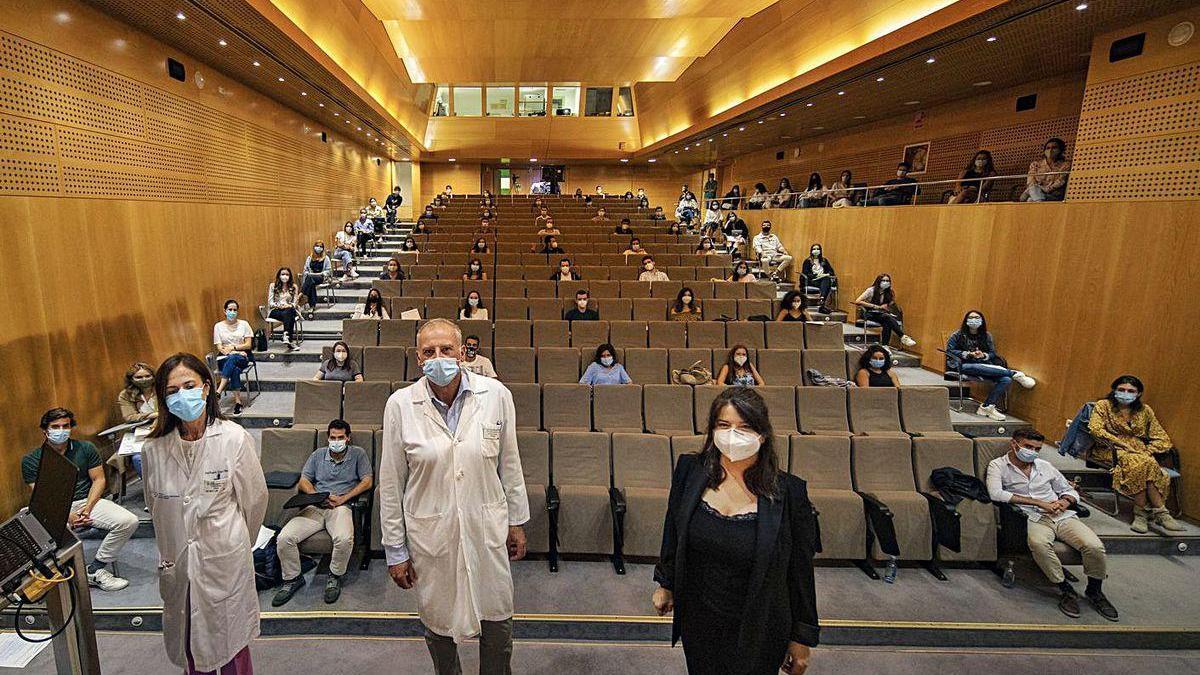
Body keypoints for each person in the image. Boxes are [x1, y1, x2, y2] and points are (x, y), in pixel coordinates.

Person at [379, 319, 528, 673]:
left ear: (461, 353)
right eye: (429, 352)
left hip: (486, 525)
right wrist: (395, 550)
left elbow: (510, 462)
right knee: (439, 622)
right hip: (431, 532)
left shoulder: (496, 395)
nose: (438, 358)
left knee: (497, 621)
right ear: (418, 358)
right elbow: (390, 482)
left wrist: (517, 521)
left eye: (446, 350)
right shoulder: (400, 405)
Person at [653, 387, 819, 675]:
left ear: (762, 434)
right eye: (724, 425)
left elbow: (800, 570)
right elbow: (674, 529)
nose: (732, 435)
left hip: (760, 623)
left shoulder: (789, 492)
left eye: (744, 427)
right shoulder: (690, 471)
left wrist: (801, 637)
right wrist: (666, 583)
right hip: (700, 618)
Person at [142, 352, 268, 675]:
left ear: (206, 388)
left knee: (230, 649)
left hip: (224, 562)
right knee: (191, 648)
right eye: (172, 391)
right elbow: (156, 511)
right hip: (179, 565)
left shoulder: (234, 439)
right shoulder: (153, 450)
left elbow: (254, 503)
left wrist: (235, 545)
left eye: (189, 385)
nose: (181, 395)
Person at [986, 429, 1118, 622]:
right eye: (1028, 447)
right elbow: (996, 493)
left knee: (1094, 546)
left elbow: (1069, 491)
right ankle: (1065, 589)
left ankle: (1095, 590)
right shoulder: (998, 466)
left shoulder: (1045, 466)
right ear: (1014, 444)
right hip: (1032, 517)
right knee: (1039, 545)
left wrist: (1064, 502)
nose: (1032, 451)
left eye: (1037, 448)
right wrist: (1038, 503)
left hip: (1062, 515)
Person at [22, 407, 137, 591]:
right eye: (55, 426)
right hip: (55, 508)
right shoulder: (31, 460)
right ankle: (56, 575)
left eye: (65, 426)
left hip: (87, 501)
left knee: (128, 521)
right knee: (34, 527)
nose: (61, 430)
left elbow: (98, 479)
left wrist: (87, 509)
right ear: (45, 430)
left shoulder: (85, 448)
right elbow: (42, 496)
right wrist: (68, 515)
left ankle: (95, 570)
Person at [273, 419, 373, 607]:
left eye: (340, 437)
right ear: (328, 438)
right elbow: (304, 481)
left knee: (343, 539)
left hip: (340, 506)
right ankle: (293, 578)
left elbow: (367, 481)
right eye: (333, 437)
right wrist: (316, 496)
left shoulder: (358, 454)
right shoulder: (318, 455)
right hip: (316, 505)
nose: (336, 441)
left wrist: (343, 499)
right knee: (284, 537)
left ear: (348, 438)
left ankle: (334, 575)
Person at [1088, 375, 1185, 534]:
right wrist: (1122, 444)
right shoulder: (1103, 406)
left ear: (1138, 394)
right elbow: (1096, 429)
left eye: (1130, 391)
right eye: (1121, 390)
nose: (1125, 393)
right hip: (1110, 449)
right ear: (1114, 390)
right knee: (1143, 463)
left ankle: (1142, 514)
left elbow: (1162, 437)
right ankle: (1159, 512)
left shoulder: (1145, 411)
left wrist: (1148, 450)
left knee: (1144, 462)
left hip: (1139, 451)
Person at [945, 310, 1036, 422]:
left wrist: (983, 355)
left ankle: (986, 407)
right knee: (974, 367)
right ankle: (1014, 374)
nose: (974, 320)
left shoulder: (987, 336)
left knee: (1006, 380)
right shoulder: (957, 335)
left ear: (982, 320)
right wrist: (968, 354)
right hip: (963, 365)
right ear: (966, 320)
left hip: (983, 365)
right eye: (971, 317)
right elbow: (950, 351)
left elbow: (992, 353)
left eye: (977, 317)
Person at [213, 299, 254, 415]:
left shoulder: (244, 324)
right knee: (234, 369)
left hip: (242, 358)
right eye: (230, 310)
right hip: (225, 358)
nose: (232, 312)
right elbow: (220, 348)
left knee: (233, 360)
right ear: (225, 311)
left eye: (234, 310)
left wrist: (233, 348)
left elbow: (248, 345)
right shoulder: (218, 326)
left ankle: (219, 390)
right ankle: (238, 402)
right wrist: (234, 352)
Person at [853, 274, 917, 348]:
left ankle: (885, 346)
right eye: (883, 280)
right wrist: (875, 306)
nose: (886, 282)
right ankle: (902, 337)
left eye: (887, 281)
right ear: (878, 281)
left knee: (887, 322)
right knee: (887, 318)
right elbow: (857, 301)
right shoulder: (871, 290)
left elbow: (890, 304)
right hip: (869, 313)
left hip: (882, 314)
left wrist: (887, 306)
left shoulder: (889, 292)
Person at [117, 362, 158, 476]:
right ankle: (150, 489)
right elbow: (129, 417)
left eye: (147, 376)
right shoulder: (126, 395)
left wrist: (159, 417)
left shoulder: (162, 388)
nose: (144, 379)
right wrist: (154, 415)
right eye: (139, 377)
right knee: (138, 458)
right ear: (131, 379)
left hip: (164, 428)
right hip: (141, 432)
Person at [1021, 138, 1071, 202]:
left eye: (1054, 148)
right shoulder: (1036, 165)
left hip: (1053, 194)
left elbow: (1061, 181)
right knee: (1032, 192)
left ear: (1060, 150)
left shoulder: (1065, 165)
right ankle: (1040, 201)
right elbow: (1030, 181)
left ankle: (1039, 201)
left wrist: (1044, 189)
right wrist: (1038, 189)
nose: (1050, 150)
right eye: (1048, 148)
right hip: (1036, 191)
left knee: (1030, 199)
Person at [268, 267, 301, 350]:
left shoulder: (294, 287)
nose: (285, 276)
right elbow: (270, 302)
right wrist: (279, 305)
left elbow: (295, 302)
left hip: (288, 309)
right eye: (283, 274)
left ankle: (286, 335)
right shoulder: (273, 286)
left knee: (289, 311)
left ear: (290, 276)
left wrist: (289, 305)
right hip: (276, 311)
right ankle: (289, 339)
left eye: (287, 274)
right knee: (290, 315)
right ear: (279, 276)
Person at [800, 244, 835, 314]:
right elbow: (805, 273)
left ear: (820, 250)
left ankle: (821, 299)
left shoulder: (824, 260)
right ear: (811, 250)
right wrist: (817, 275)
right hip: (812, 281)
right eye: (814, 249)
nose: (816, 250)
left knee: (826, 279)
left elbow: (831, 271)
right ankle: (822, 303)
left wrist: (825, 274)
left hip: (822, 280)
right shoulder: (807, 261)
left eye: (817, 249)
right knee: (826, 281)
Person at [302, 242, 333, 316]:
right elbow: (305, 270)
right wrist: (307, 273)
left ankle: (301, 294)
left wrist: (321, 274)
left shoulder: (326, 258)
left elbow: (329, 271)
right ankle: (312, 306)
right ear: (314, 247)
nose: (319, 248)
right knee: (311, 282)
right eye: (317, 246)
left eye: (321, 246)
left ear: (323, 248)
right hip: (311, 277)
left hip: (321, 277)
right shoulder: (310, 258)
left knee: (310, 279)